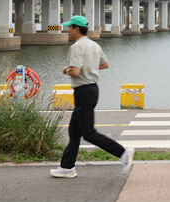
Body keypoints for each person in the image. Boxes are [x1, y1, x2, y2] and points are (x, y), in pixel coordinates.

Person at [50, 15, 135, 178]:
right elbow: (105, 64)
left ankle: (123, 153)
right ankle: (67, 167)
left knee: (88, 133)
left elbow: (75, 72)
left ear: (76, 29)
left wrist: (65, 69)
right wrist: (88, 67)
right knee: (74, 131)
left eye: (69, 28)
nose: (67, 31)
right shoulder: (94, 45)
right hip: (92, 89)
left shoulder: (76, 47)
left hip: (83, 91)